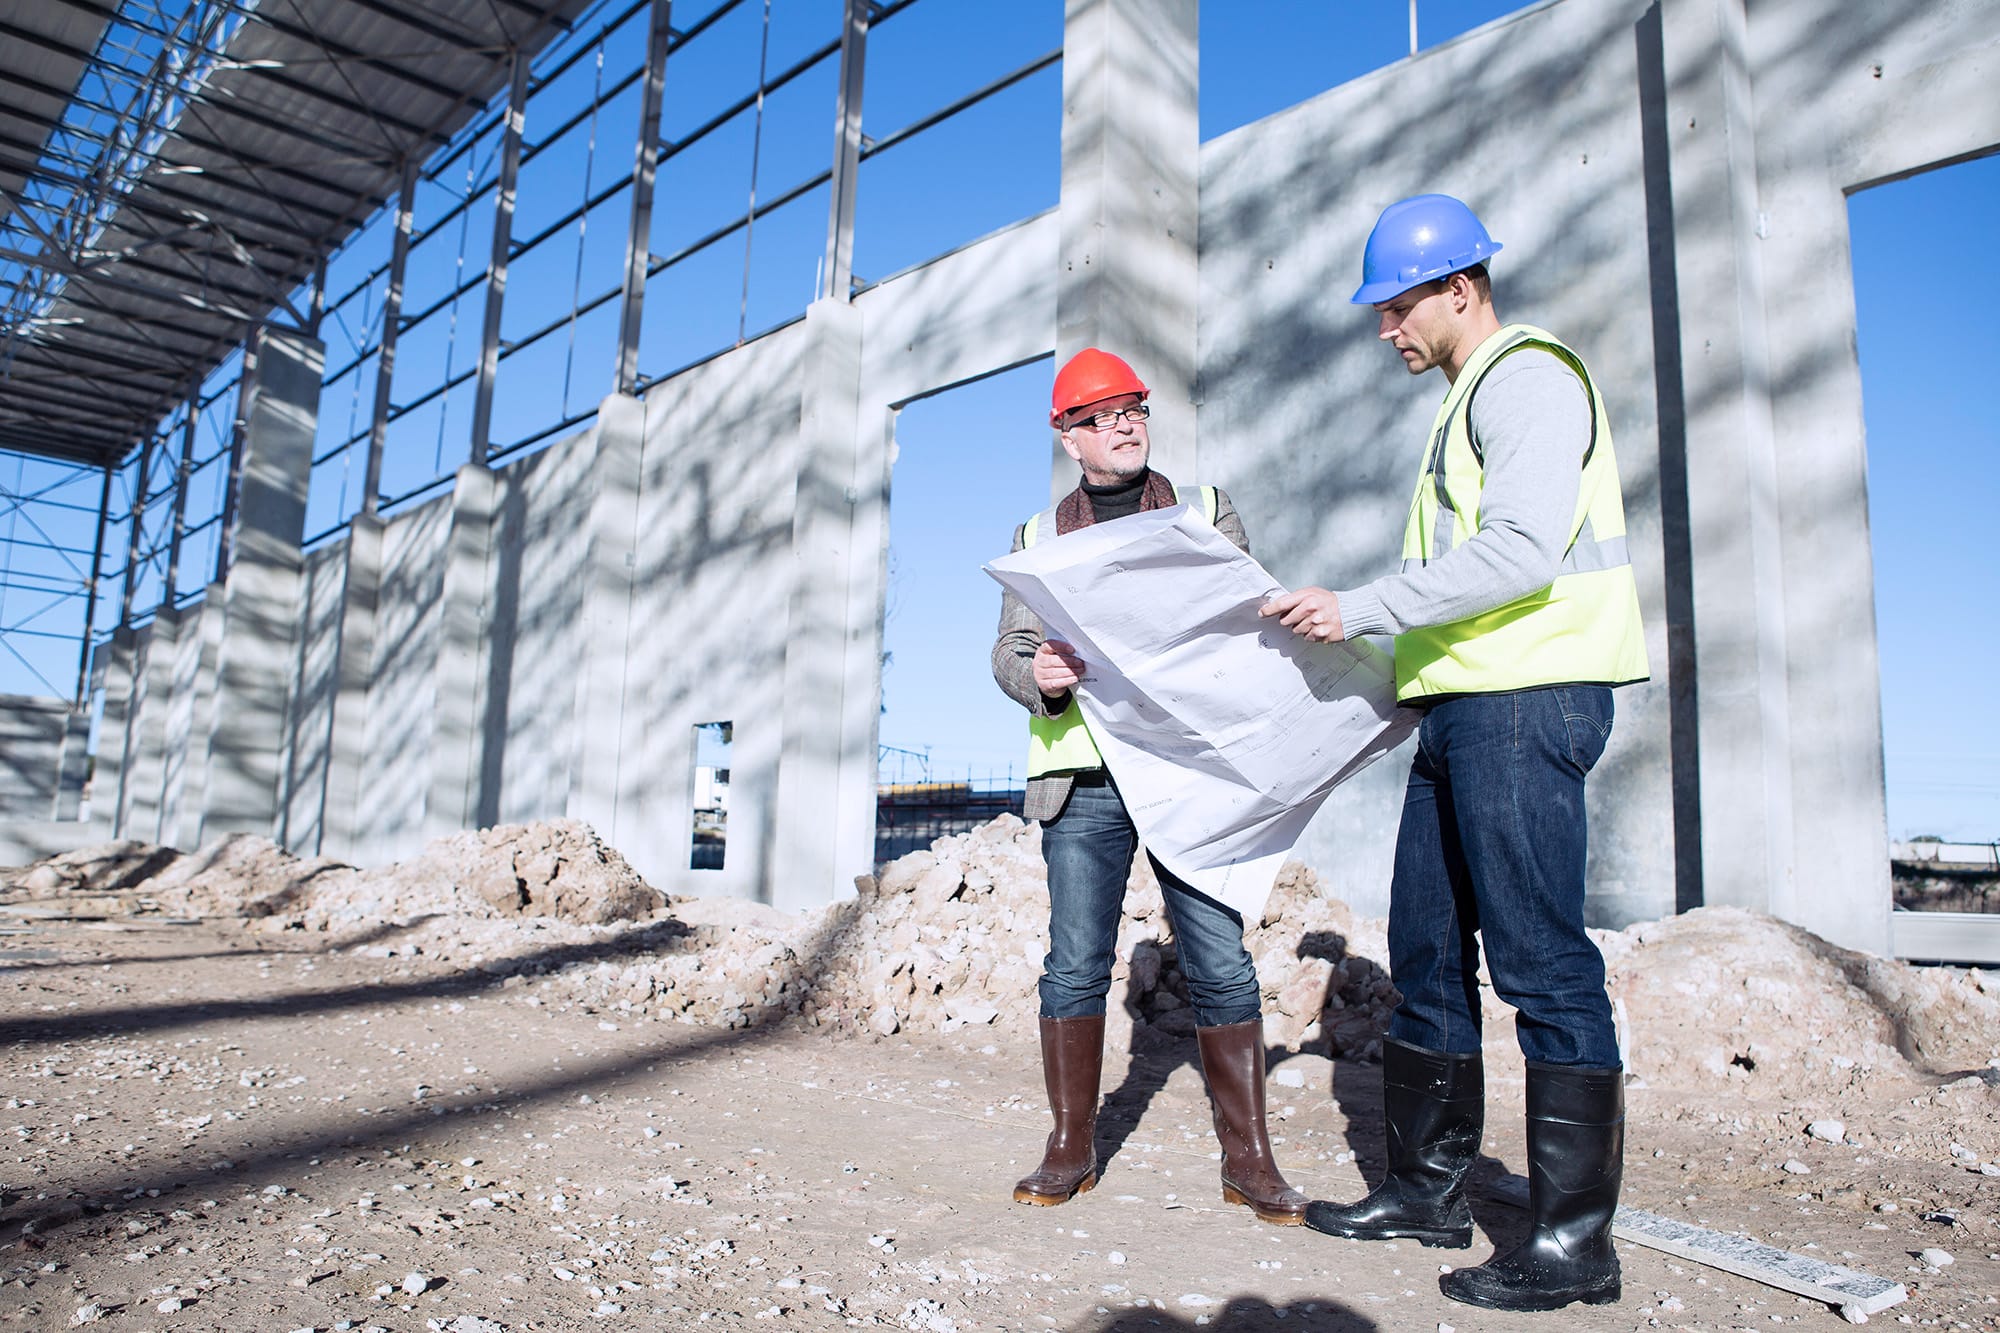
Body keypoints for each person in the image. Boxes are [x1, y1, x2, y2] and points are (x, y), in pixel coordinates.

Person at [1261, 195, 1648, 1312]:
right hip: (1466, 706)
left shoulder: (1524, 377)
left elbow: (1521, 553)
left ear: (1457, 289)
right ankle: (1425, 1188)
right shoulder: (1462, 399)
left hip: (1528, 699)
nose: (1385, 329)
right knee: (1427, 953)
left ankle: (1575, 1245)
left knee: (1539, 962)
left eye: (1395, 307)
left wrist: (1362, 606)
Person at [991, 347, 1306, 1226]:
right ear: (1068, 436)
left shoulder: (1207, 511)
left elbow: (1245, 614)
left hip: (1187, 769)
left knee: (1219, 957)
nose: (1125, 423)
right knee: (1074, 964)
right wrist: (1043, 672)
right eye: (1102, 415)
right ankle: (1069, 1146)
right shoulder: (1039, 536)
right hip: (1083, 775)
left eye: (1134, 408)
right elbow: (1009, 652)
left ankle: (1250, 1160)